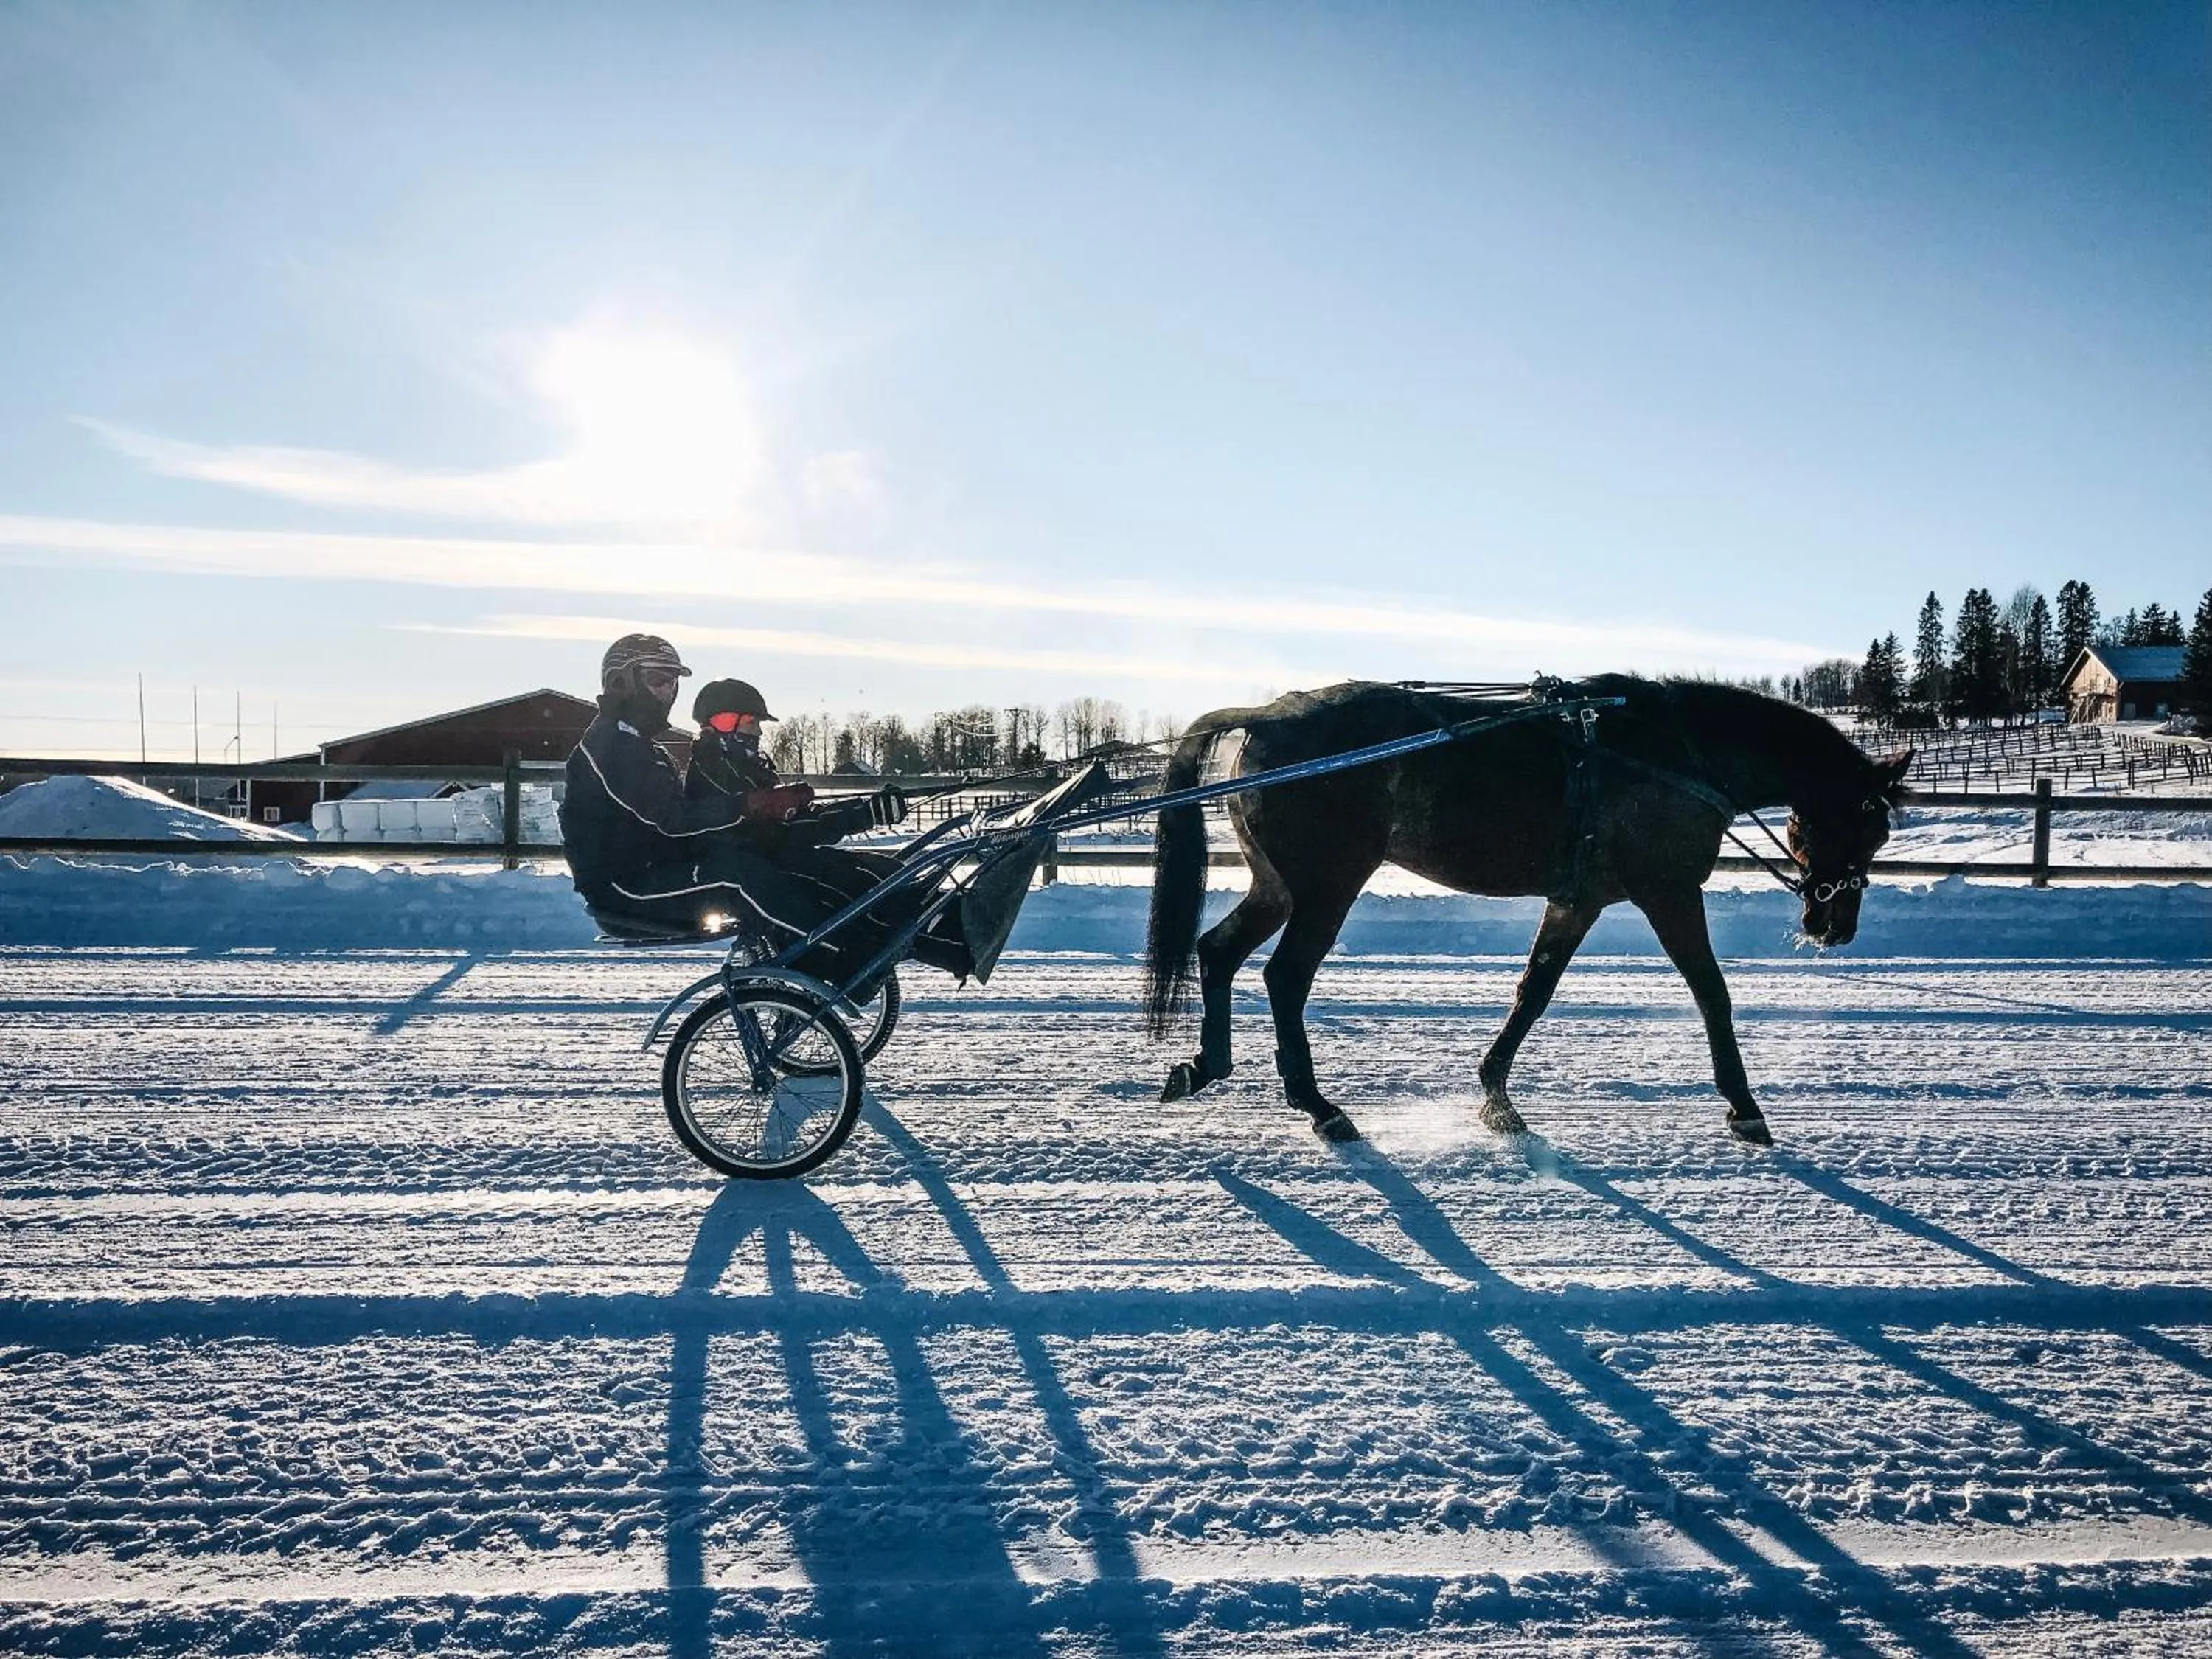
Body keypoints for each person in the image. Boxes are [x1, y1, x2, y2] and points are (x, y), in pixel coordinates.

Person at [559, 634, 966, 981]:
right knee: (740, 876)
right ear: (620, 682)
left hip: (655, 871)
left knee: (767, 867)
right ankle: (839, 961)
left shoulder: (639, 746)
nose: (667, 691)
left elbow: (685, 822)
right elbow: (672, 820)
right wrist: (755, 805)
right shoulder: (611, 746)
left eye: (672, 682)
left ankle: (896, 940)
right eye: (657, 680)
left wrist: (777, 808)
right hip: (623, 886)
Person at [684, 676, 972, 979]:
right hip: (759, 866)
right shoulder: (715, 769)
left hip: (771, 857)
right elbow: (779, 832)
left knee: (880, 871)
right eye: (752, 723)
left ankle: (958, 929)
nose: (758, 732)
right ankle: (955, 941)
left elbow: (787, 823)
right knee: (862, 884)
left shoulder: (738, 765)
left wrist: (860, 810)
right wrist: (863, 814)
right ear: (725, 722)